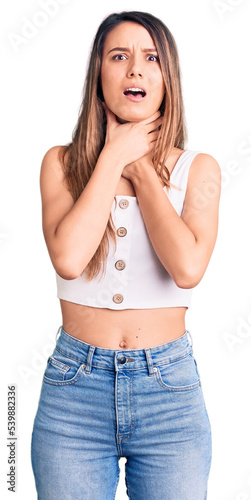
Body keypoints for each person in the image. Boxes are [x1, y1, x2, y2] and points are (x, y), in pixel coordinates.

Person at [31, 10, 221, 500]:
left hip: (169, 396)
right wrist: (113, 155)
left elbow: (187, 268)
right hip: (73, 393)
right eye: (120, 56)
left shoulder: (198, 170)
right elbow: (70, 259)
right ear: (99, 76)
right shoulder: (62, 163)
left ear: (166, 79)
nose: (135, 68)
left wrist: (140, 171)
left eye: (151, 58)